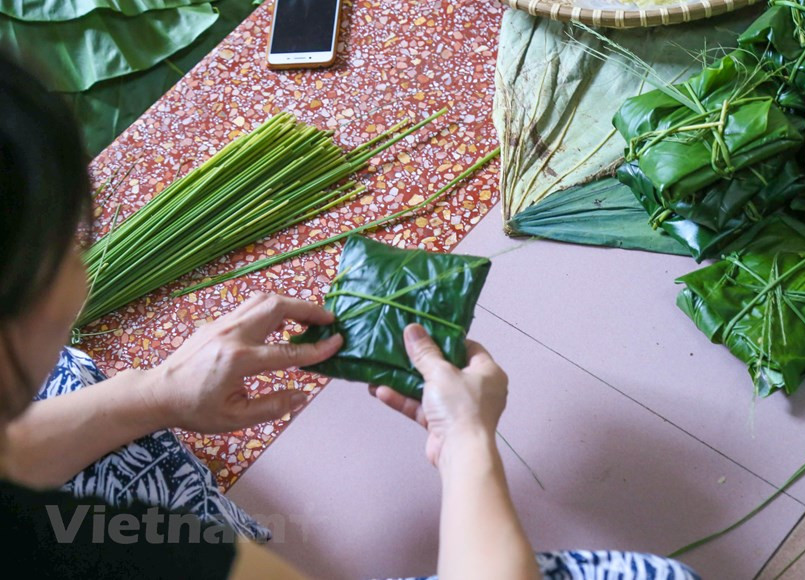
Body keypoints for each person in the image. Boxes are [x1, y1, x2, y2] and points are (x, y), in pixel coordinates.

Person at [0, 53, 698, 579]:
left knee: (76, 388)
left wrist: (155, 394)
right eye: (71, 239)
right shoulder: (132, 555)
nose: (85, 257)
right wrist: (468, 449)